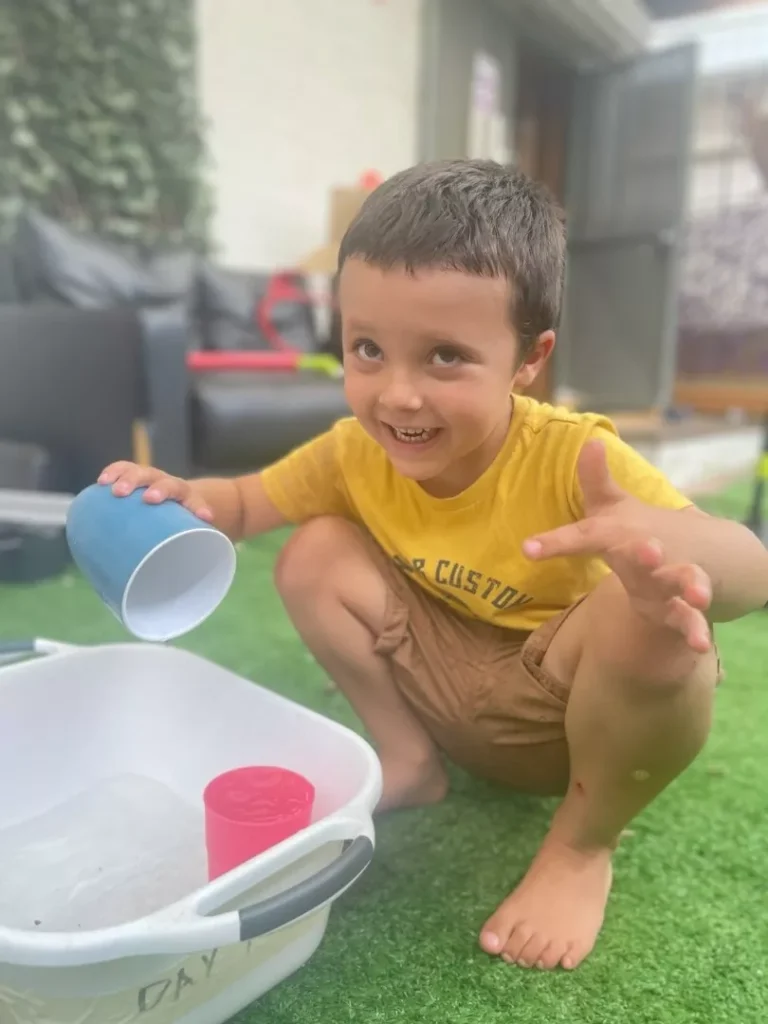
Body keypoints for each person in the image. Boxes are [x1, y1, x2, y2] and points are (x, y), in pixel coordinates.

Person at [98, 159, 768, 972]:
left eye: (445, 357)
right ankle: (409, 761)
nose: (398, 395)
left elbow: (750, 571)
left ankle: (581, 848)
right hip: (440, 684)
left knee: (663, 623)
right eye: (368, 349)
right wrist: (175, 493)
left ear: (529, 358)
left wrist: (662, 547)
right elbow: (240, 507)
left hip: (563, 722)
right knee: (313, 553)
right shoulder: (355, 451)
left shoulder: (575, 455)